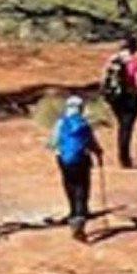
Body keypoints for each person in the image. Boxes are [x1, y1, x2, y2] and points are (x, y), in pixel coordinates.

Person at [49, 95, 105, 241]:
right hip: (82, 160)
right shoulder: (84, 124)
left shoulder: (61, 123)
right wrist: (98, 152)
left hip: (64, 161)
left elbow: (53, 143)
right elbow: (91, 142)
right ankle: (79, 220)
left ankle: (74, 212)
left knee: (70, 186)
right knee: (82, 188)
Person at [99, 36, 137, 168]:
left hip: (115, 98)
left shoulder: (112, 60)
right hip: (130, 98)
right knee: (126, 127)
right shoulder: (134, 62)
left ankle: (123, 155)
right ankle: (124, 157)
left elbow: (104, 79)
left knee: (122, 125)